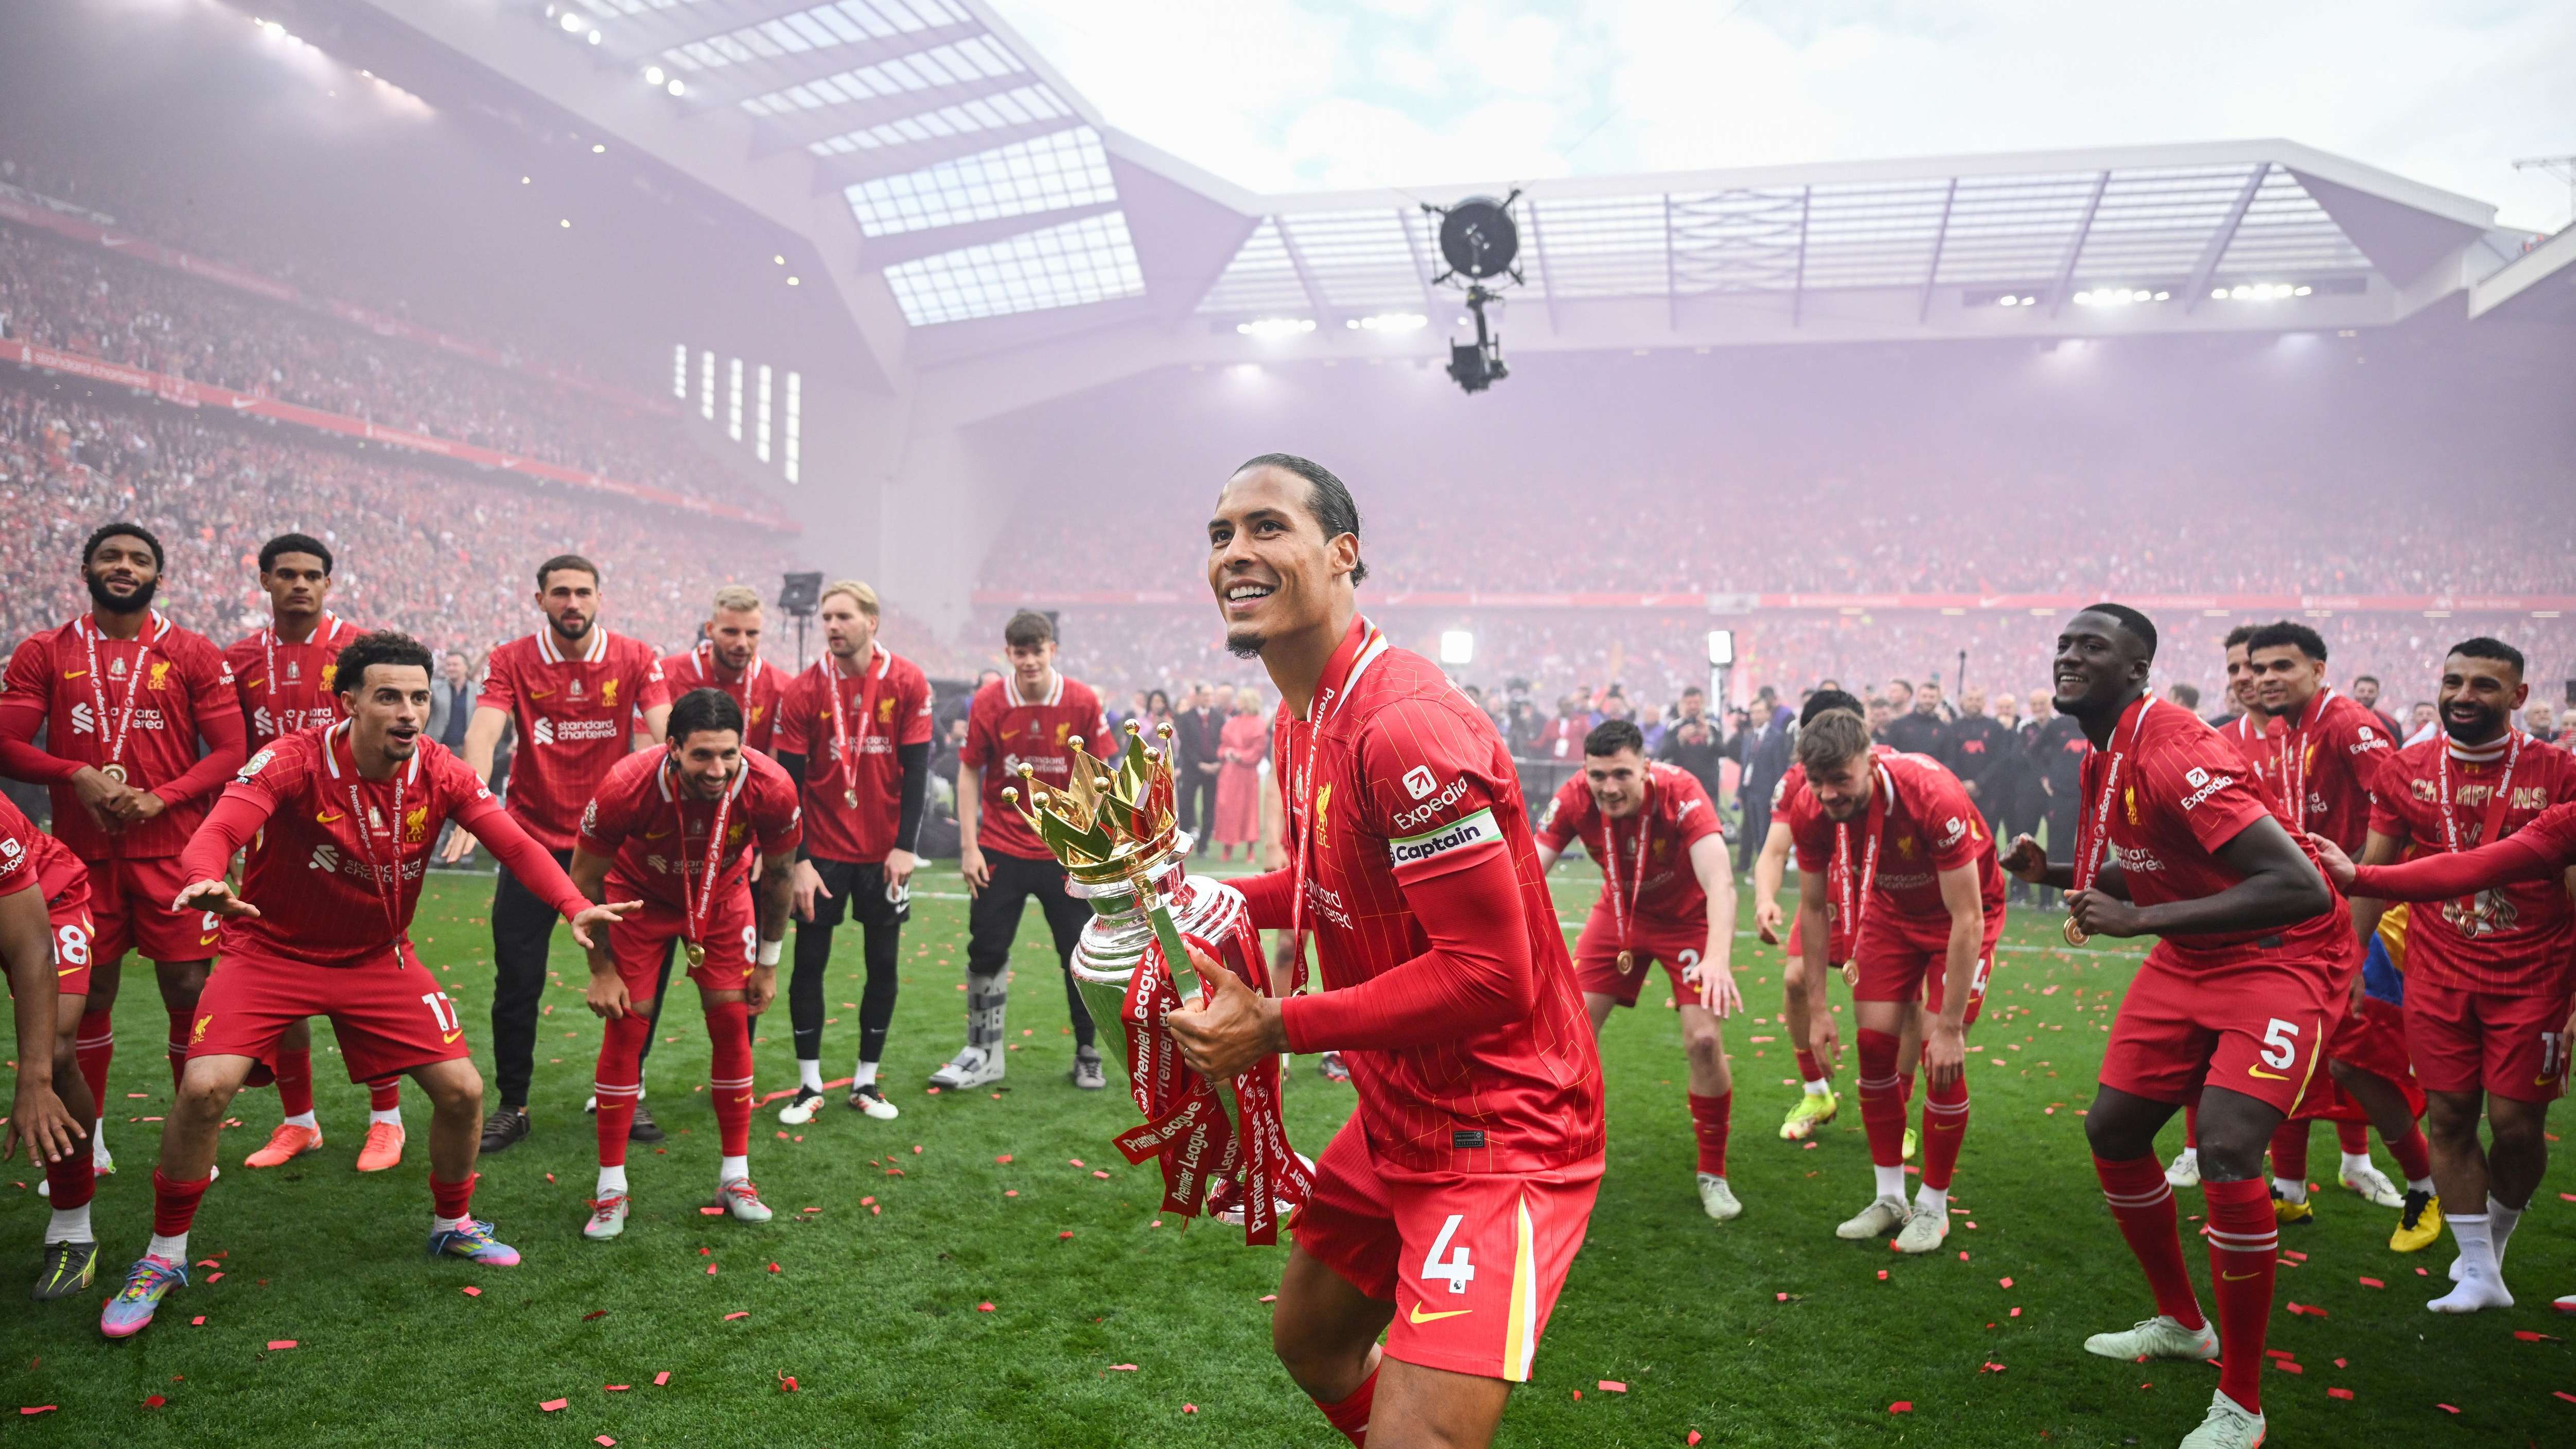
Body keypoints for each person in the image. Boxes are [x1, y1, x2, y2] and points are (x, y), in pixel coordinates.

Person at [1167, 452, 1602, 1449]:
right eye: (1220, 534)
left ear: (1343, 554)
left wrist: (1274, 1025)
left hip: (1499, 1128)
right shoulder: (1304, 714)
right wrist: (1181, 896)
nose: (1237, 551)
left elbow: (1493, 976)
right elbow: (1327, 888)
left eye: (1268, 527)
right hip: (1399, 1106)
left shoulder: (1401, 725)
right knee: (1313, 1345)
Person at [103, 631, 632, 1339]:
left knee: (464, 1091)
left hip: (378, 955)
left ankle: (453, 1223)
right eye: (389, 695)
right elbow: (224, 824)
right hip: (271, 951)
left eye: (420, 696)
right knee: (203, 1089)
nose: (409, 710)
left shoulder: (440, 769)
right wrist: (203, 873)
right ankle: (163, 1256)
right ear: (348, 701)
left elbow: (513, 841)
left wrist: (573, 902)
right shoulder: (292, 758)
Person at [2002, 604, 2345, 1449]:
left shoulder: (2175, 746)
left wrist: (2142, 923)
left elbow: (2298, 884)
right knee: (2114, 1130)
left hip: (2278, 953)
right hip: (2194, 951)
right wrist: (2049, 871)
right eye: (2065, 645)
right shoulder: (2107, 748)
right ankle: (2182, 1323)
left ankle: (2242, 1402)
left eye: (2094, 647)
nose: (2070, 657)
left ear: (2138, 670)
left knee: (2228, 1147)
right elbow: (2154, 862)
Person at [2330, 637, 2576, 1312]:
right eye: (2453, 681)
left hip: (2535, 974)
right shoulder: (2405, 767)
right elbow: (2371, 876)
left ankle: (2491, 1246)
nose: (2464, 694)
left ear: (2518, 697)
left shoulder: (2558, 772)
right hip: (2438, 970)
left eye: (2484, 685)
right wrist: (2349, 960)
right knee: (2450, 1113)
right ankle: (2476, 1270)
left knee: (2518, 1125)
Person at [0, 522, 246, 1183]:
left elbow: (230, 751)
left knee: (190, 988)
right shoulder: (43, 651)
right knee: (90, 994)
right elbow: (7, 741)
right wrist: (73, 773)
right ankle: (93, 1133)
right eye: (110, 555)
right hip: (82, 859)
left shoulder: (193, 652)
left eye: (139, 559)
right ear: (86, 568)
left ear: (158, 578)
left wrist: (162, 797)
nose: (124, 566)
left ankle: (189, 1131)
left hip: (173, 850)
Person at [444, 555, 670, 1153]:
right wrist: (470, 792)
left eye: (583, 592)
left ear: (600, 597)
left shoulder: (636, 656)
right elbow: (485, 730)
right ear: (540, 599)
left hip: (611, 847)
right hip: (531, 844)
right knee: (516, 980)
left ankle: (626, 1088)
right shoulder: (512, 657)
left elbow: (663, 727)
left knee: (632, 974)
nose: (573, 602)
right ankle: (514, 1103)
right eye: (561, 593)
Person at [571, 688, 801, 1239]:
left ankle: (736, 1177)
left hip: (721, 899)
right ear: (672, 747)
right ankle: (610, 1188)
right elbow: (583, 879)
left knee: (731, 1024)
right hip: (637, 900)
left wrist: (768, 963)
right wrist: (601, 969)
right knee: (628, 1028)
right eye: (702, 755)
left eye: (729, 753)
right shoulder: (628, 784)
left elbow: (780, 876)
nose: (717, 768)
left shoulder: (771, 787)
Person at [1788, 709, 2004, 1253]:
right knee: (1873, 1046)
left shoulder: (1931, 794)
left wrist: (1951, 1026)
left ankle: (1933, 1205)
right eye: (1817, 781)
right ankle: (1890, 1197)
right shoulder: (1809, 807)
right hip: (1889, 910)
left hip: (1961, 916)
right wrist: (1817, 1010)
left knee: (1939, 1054)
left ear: (1871, 757)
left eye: (1841, 778)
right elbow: (1813, 909)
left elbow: (1968, 917)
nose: (1828, 793)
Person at [222, 532, 405, 1174]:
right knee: (281, 977)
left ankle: (388, 1120)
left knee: (367, 973)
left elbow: (397, 737)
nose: (300, 584)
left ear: (329, 584)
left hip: (357, 831)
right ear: (266, 581)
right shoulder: (238, 659)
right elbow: (230, 753)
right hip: (276, 841)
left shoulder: (362, 652)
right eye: (287, 574)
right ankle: (299, 1121)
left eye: (312, 575)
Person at [2235, 621, 2422, 1224]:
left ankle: (2423, 1181)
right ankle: (2288, 1188)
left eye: (2282, 667)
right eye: (2257, 668)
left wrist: (2358, 902)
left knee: (2357, 1058)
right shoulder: (2263, 730)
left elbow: (2397, 811)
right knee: (2288, 1043)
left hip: (2359, 911)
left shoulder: (2347, 724)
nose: (2265, 679)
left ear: (2318, 670)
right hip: (2298, 912)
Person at [1534, 718, 1742, 1219]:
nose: (1608, 786)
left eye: (1621, 774)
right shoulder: (1572, 798)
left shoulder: (1682, 793)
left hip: (1687, 920)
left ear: (1645, 768)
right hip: (1620, 912)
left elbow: (1721, 883)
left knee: (1705, 1042)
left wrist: (1716, 958)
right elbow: (1527, 870)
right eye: (1598, 775)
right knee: (1572, 1032)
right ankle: (1570, 1151)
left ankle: (1712, 1171)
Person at [773, 580, 931, 1124]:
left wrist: (906, 847)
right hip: (822, 854)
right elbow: (788, 784)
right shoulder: (803, 690)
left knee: (882, 963)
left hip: (884, 854)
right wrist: (799, 859)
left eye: (843, 616)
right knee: (809, 963)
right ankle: (809, 1083)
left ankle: (866, 1080)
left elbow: (916, 774)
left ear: (872, 621)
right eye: (827, 617)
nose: (833, 626)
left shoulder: (907, 680)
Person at [947, 609, 1110, 1091]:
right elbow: (969, 769)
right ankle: (983, 1050)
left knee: (1078, 955)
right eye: (1020, 652)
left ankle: (1087, 1051)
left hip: (1065, 855)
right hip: (1001, 848)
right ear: (1008, 654)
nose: (1029, 660)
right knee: (987, 948)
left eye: (1037, 650)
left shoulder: (1081, 700)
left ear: (1052, 650)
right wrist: (969, 846)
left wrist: (1087, 841)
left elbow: (1099, 772)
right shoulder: (989, 701)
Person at [1750, 689, 1887, 1145]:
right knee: (1794, 981)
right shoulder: (1796, 781)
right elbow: (1773, 850)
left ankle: (1898, 1106)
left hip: (1882, 892)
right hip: (1825, 892)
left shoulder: (1886, 770)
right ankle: (1815, 1091)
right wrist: (1765, 898)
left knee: (1901, 1002)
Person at [1, 793, 100, 1301]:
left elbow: (30, 947)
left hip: (45, 898)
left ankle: (72, 1227)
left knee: (57, 1052)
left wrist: (33, 1080)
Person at [660, 585, 783, 757]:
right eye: (731, 632)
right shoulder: (665, 676)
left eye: (752, 634)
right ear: (710, 629)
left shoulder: (781, 687)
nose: (742, 643)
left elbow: (778, 773)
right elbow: (651, 757)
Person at [1946, 688, 2013, 836]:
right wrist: (1963, 782)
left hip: (1989, 790)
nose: (1974, 703)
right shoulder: (1953, 728)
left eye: (1978, 700)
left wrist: (1978, 782)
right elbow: (1950, 759)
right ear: (1963, 702)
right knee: (1961, 834)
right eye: (1970, 699)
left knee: (1988, 835)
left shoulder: (1995, 727)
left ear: (1984, 703)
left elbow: (2000, 759)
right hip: (1960, 789)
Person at [1212, 686, 1268, 862]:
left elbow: (1258, 751)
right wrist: (1226, 753)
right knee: (1227, 810)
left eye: (1240, 699)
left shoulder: (1259, 723)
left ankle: (1250, 850)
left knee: (1249, 810)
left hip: (1247, 774)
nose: (1237, 702)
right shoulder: (1232, 722)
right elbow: (1221, 746)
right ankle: (1227, 848)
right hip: (1229, 774)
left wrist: (1240, 755)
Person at [1655, 686, 1725, 800]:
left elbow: (1723, 752)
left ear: (1703, 704)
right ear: (1683, 704)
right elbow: (1663, 754)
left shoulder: (1713, 727)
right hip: (1681, 785)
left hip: (1708, 787)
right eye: (1689, 703)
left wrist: (1709, 737)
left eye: (1696, 703)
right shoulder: (1675, 727)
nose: (1693, 706)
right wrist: (1680, 739)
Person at [1174, 682, 1221, 848]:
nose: (1209, 698)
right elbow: (1186, 745)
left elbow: (1221, 742)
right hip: (1192, 769)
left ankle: (1203, 846)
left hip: (1214, 768)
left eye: (1211, 695)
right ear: (1198, 696)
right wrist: (1200, 764)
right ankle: (1185, 843)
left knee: (1209, 808)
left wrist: (1217, 763)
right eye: (1206, 695)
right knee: (1187, 805)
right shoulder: (1186, 718)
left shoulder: (1218, 716)